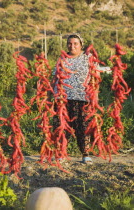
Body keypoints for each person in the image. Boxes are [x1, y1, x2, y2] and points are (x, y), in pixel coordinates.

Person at [52, 34, 93, 164]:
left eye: (75, 43)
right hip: (62, 98)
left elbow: (96, 76)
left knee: (83, 126)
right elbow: (54, 78)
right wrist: (50, 95)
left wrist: (94, 94)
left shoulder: (88, 58)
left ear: (81, 45)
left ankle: (85, 154)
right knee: (62, 127)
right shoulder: (62, 59)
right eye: (70, 43)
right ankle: (61, 154)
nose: (72, 46)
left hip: (83, 97)